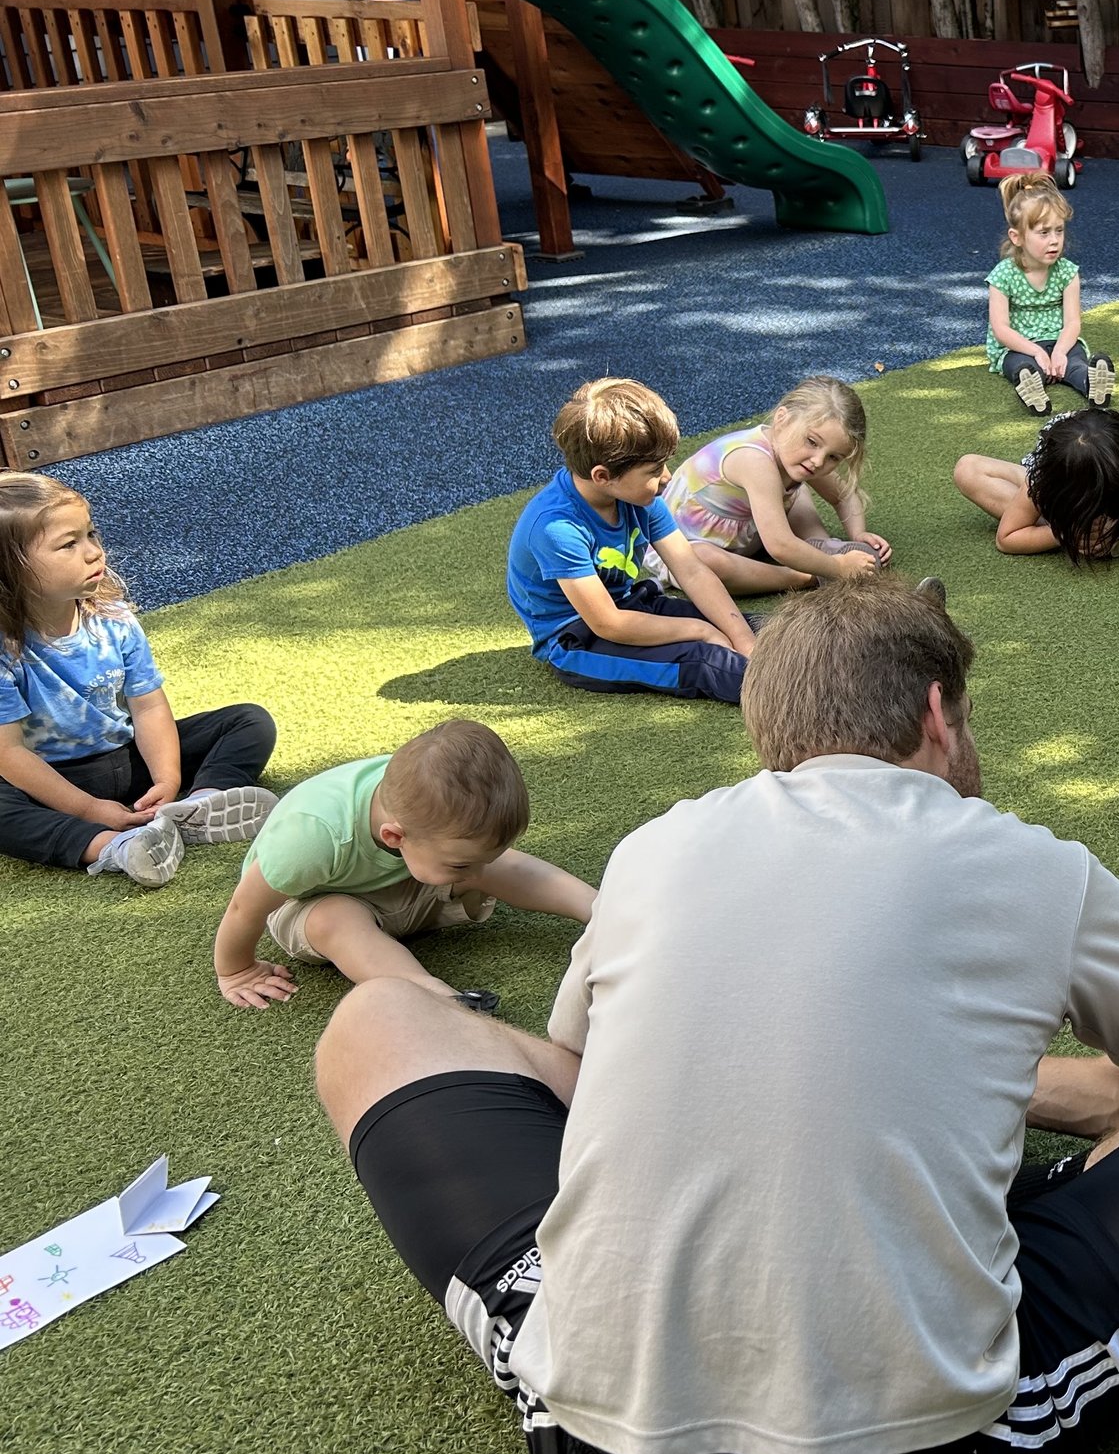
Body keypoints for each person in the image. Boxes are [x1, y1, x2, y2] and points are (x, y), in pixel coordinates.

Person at [311, 579, 1119, 1454]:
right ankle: (993, 1206)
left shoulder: (655, 848)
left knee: (376, 1020)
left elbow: (575, 1076)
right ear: (938, 715)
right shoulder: (1034, 866)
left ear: (766, 734)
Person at [209, 718, 596, 1014]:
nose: (474, 870)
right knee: (335, 917)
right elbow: (247, 905)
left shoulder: (429, 812)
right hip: (310, 904)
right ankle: (435, 997)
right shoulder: (312, 837)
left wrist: (477, 866)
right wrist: (236, 969)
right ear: (394, 836)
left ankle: (604, 910)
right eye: (460, 863)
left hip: (404, 882)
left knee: (488, 865)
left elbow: (482, 861)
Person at [0, 471, 276, 885]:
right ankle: (113, 845)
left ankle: (199, 807)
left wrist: (168, 779)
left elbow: (148, 707)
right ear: (10, 568)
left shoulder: (113, 618)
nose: (94, 552)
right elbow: (9, 754)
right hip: (49, 781)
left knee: (248, 722)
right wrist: (89, 810)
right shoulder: (6, 648)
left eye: (91, 534)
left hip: (127, 758)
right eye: (69, 544)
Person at [506, 377, 757, 703]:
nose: (667, 477)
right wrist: (703, 630)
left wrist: (741, 637)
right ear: (603, 476)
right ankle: (812, 699)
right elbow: (609, 624)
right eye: (654, 471)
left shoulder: (643, 500)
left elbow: (692, 571)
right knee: (707, 662)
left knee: (761, 628)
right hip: (579, 637)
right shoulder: (556, 528)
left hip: (630, 604)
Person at [653, 375, 889, 596]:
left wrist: (859, 534)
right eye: (812, 442)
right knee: (701, 560)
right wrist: (838, 568)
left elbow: (843, 496)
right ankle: (805, 576)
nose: (818, 461)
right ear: (782, 419)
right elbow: (779, 545)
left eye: (834, 457)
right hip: (686, 545)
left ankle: (821, 545)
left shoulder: (799, 456)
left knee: (798, 486)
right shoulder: (754, 460)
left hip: (747, 531)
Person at [952, 407, 1119, 563]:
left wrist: (1118, 530)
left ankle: (1112, 520)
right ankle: (1070, 522)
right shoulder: (1046, 473)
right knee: (967, 469)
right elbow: (1007, 538)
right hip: (1057, 513)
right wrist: (1069, 533)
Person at [989, 175, 1113, 415]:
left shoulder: (1067, 272)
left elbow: (1073, 322)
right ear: (1018, 237)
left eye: (1059, 230)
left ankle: (1092, 385)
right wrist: (1035, 351)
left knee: (1075, 363)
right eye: (1044, 233)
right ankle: (1032, 388)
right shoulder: (1002, 275)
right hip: (1019, 345)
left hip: (1061, 340)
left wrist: (1059, 351)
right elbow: (1001, 329)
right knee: (1022, 365)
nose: (1054, 240)